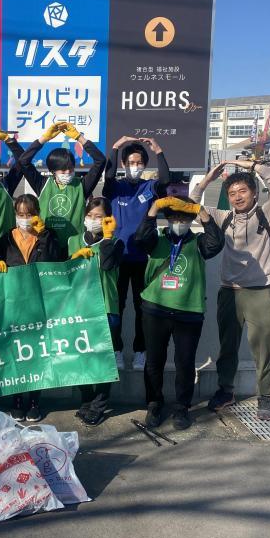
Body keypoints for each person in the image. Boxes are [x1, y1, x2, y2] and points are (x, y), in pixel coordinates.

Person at [191, 159, 270, 421]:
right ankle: (226, 391)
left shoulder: (268, 213)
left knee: (264, 347)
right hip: (229, 291)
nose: (237, 197)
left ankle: (265, 397)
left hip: (261, 291)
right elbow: (191, 204)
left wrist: (250, 165)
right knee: (227, 346)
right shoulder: (224, 217)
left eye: (242, 191)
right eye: (232, 194)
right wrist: (207, 179)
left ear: (254, 192)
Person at [133, 196, 224, 430]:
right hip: (155, 308)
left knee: (184, 362)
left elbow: (216, 243)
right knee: (154, 361)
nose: (178, 222)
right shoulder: (157, 239)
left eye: (184, 217)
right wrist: (154, 208)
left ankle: (182, 407)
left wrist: (201, 211)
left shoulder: (199, 242)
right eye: (173, 217)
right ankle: (154, 403)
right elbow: (141, 238)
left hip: (188, 312)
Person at [102, 136, 170, 371]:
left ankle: (140, 351)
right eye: (131, 162)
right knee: (115, 307)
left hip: (142, 259)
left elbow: (166, 180)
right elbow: (107, 175)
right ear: (123, 164)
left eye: (140, 162)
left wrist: (158, 150)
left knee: (143, 308)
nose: (135, 166)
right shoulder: (115, 188)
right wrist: (115, 147)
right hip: (118, 258)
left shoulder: (149, 187)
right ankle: (116, 350)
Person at [0, 194, 61, 422]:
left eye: (29, 214)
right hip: (12, 306)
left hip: (38, 305)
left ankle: (34, 401)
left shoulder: (47, 236)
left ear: (37, 213)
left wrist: (44, 236)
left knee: (35, 354)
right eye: (20, 214)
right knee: (15, 354)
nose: (24, 218)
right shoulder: (6, 239)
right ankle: (17, 400)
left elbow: (55, 261)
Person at [67, 198, 124, 426]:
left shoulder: (116, 243)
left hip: (105, 308)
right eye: (90, 216)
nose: (93, 220)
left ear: (108, 219)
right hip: (77, 309)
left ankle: (99, 404)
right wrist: (74, 258)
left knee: (102, 359)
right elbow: (63, 273)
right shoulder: (73, 241)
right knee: (81, 357)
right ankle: (86, 400)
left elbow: (108, 264)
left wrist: (108, 237)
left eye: (99, 217)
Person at [17, 122, 106, 255]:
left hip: (75, 248)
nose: (68, 172)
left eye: (71, 169)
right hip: (47, 246)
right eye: (63, 169)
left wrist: (79, 137)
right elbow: (23, 161)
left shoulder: (81, 186)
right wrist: (44, 139)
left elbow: (100, 161)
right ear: (53, 170)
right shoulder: (42, 184)